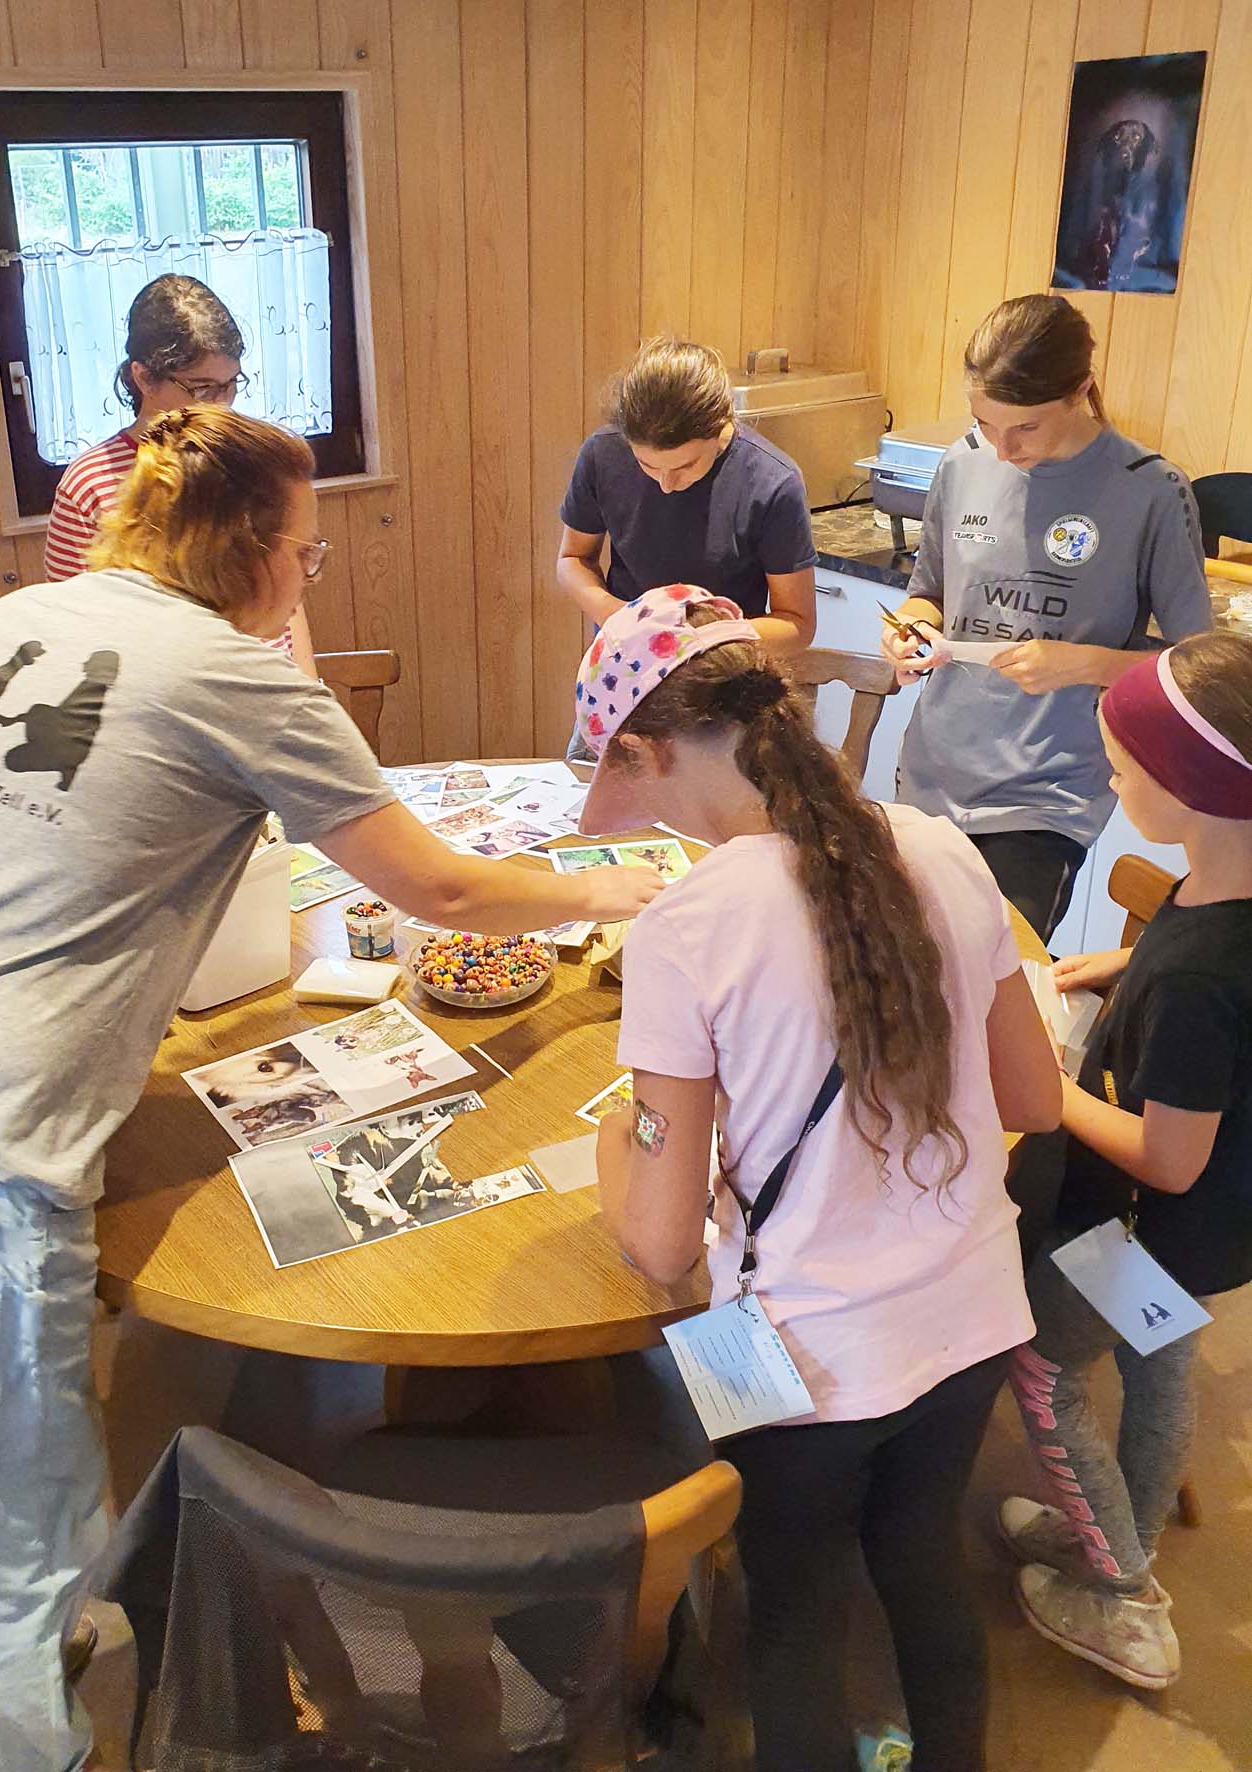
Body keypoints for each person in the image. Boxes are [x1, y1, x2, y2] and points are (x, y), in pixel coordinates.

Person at [0, 406, 660, 1772]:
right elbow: (441, 887)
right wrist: (600, 890)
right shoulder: (236, 673)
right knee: (11, 1542)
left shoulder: (5, 622)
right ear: (247, 550)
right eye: (306, 551)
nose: (305, 575)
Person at [584, 585, 1062, 1772]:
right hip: (971, 1313)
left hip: (795, 1355)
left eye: (625, 775)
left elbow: (660, 1243)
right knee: (921, 1564)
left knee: (792, 1607)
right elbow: (1033, 1100)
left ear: (648, 749)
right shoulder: (941, 846)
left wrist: (617, 1145)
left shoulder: (684, 926)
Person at [1002, 631, 1252, 1691]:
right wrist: (1122, 961)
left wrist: (1047, 1091)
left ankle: (1125, 1596)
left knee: (1039, 1367)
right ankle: (1120, 1538)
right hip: (1211, 1237)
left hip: (1148, 1233)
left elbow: (1166, 1158)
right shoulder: (1221, 887)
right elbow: (1191, 961)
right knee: (1159, 1370)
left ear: (1190, 782)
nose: (1109, 783)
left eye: (1118, 768)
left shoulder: (1199, 979)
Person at [880, 294, 1210, 943]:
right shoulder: (962, 462)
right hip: (933, 772)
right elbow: (929, 592)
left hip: (1046, 797)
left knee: (988, 978)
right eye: (985, 422)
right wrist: (908, 629)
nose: (1003, 450)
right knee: (897, 973)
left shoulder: (1149, 489)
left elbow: (1196, 666)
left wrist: (1085, 664)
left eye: (1025, 428)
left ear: (1080, 392)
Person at [43, 274, 306, 665]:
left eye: (231, 383)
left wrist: (307, 685)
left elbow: (287, 589)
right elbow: (73, 627)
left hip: (266, 674)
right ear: (144, 378)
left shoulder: (253, 458)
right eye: (202, 388)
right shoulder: (89, 484)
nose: (222, 404)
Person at [558, 335, 817, 646]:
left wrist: (695, 640)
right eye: (647, 465)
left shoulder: (772, 483)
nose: (665, 485)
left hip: (728, 660)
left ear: (720, 425)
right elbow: (573, 557)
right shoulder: (603, 453)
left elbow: (797, 624)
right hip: (627, 650)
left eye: (686, 466)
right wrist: (616, 616)